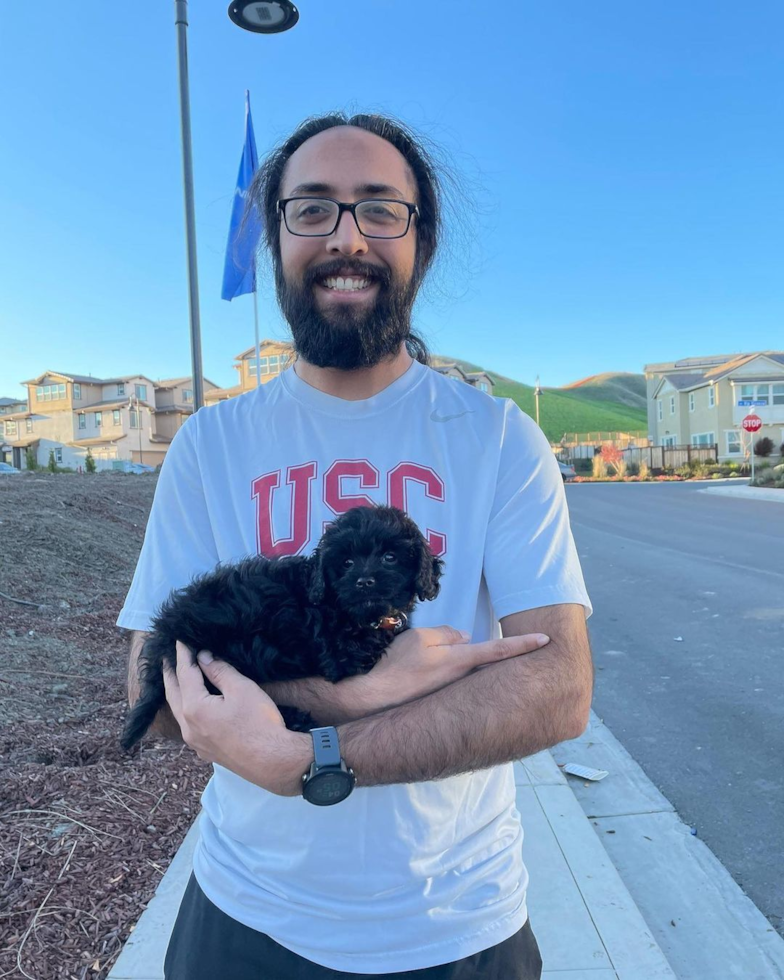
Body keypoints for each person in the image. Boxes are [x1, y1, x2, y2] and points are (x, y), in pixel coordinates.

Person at [118, 112, 593, 980]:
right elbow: (156, 680)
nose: (346, 237)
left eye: (380, 209)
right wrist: (361, 694)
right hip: (246, 916)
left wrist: (302, 755)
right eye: (312, 209)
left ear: (422, 240)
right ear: (276, 239)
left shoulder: (496, 439)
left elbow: (557, 689)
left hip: (457, 926)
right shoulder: (210, 444)